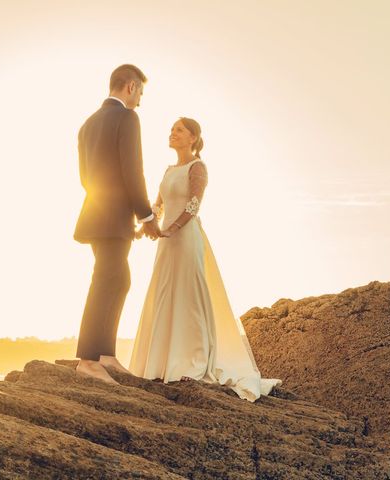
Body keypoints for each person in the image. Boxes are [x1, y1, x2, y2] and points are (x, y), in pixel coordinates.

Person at [128, 117, 282, 402]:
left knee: (190, 296)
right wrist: (146, 226)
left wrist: (173, 228)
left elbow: (194, 204)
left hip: (186, 239)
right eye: (172, 129)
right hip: (165, 243)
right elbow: (158, 204)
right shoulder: (168, 169)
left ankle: (193, 359)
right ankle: (161, 361)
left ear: (193, 138)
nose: (172, 133)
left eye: (179, 130)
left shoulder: (197, 167)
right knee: (163, 294)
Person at [73, 64, 162, 385]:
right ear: (130, 87)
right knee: (105, 280)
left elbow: (85, 177)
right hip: (115, 216)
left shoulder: (87, 124)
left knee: (119, 279)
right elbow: (133, 170)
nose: (140, 100)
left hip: (96, 212)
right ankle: (87, 359)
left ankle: (106, 355)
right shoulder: (127, 118)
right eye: (140, 92)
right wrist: (146, 216)